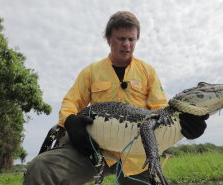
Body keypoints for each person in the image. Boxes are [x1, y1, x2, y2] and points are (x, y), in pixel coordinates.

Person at [23, 11, 208, 185]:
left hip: (137, 155)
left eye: (131, 39)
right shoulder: (91, 71)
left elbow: (160, 109)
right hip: (94, 149)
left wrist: (185, 126)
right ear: (109, 39)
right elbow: (71, 102)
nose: (126, 44)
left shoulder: (148, 72)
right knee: (40, 168)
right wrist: (70, 120)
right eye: (121, 39)